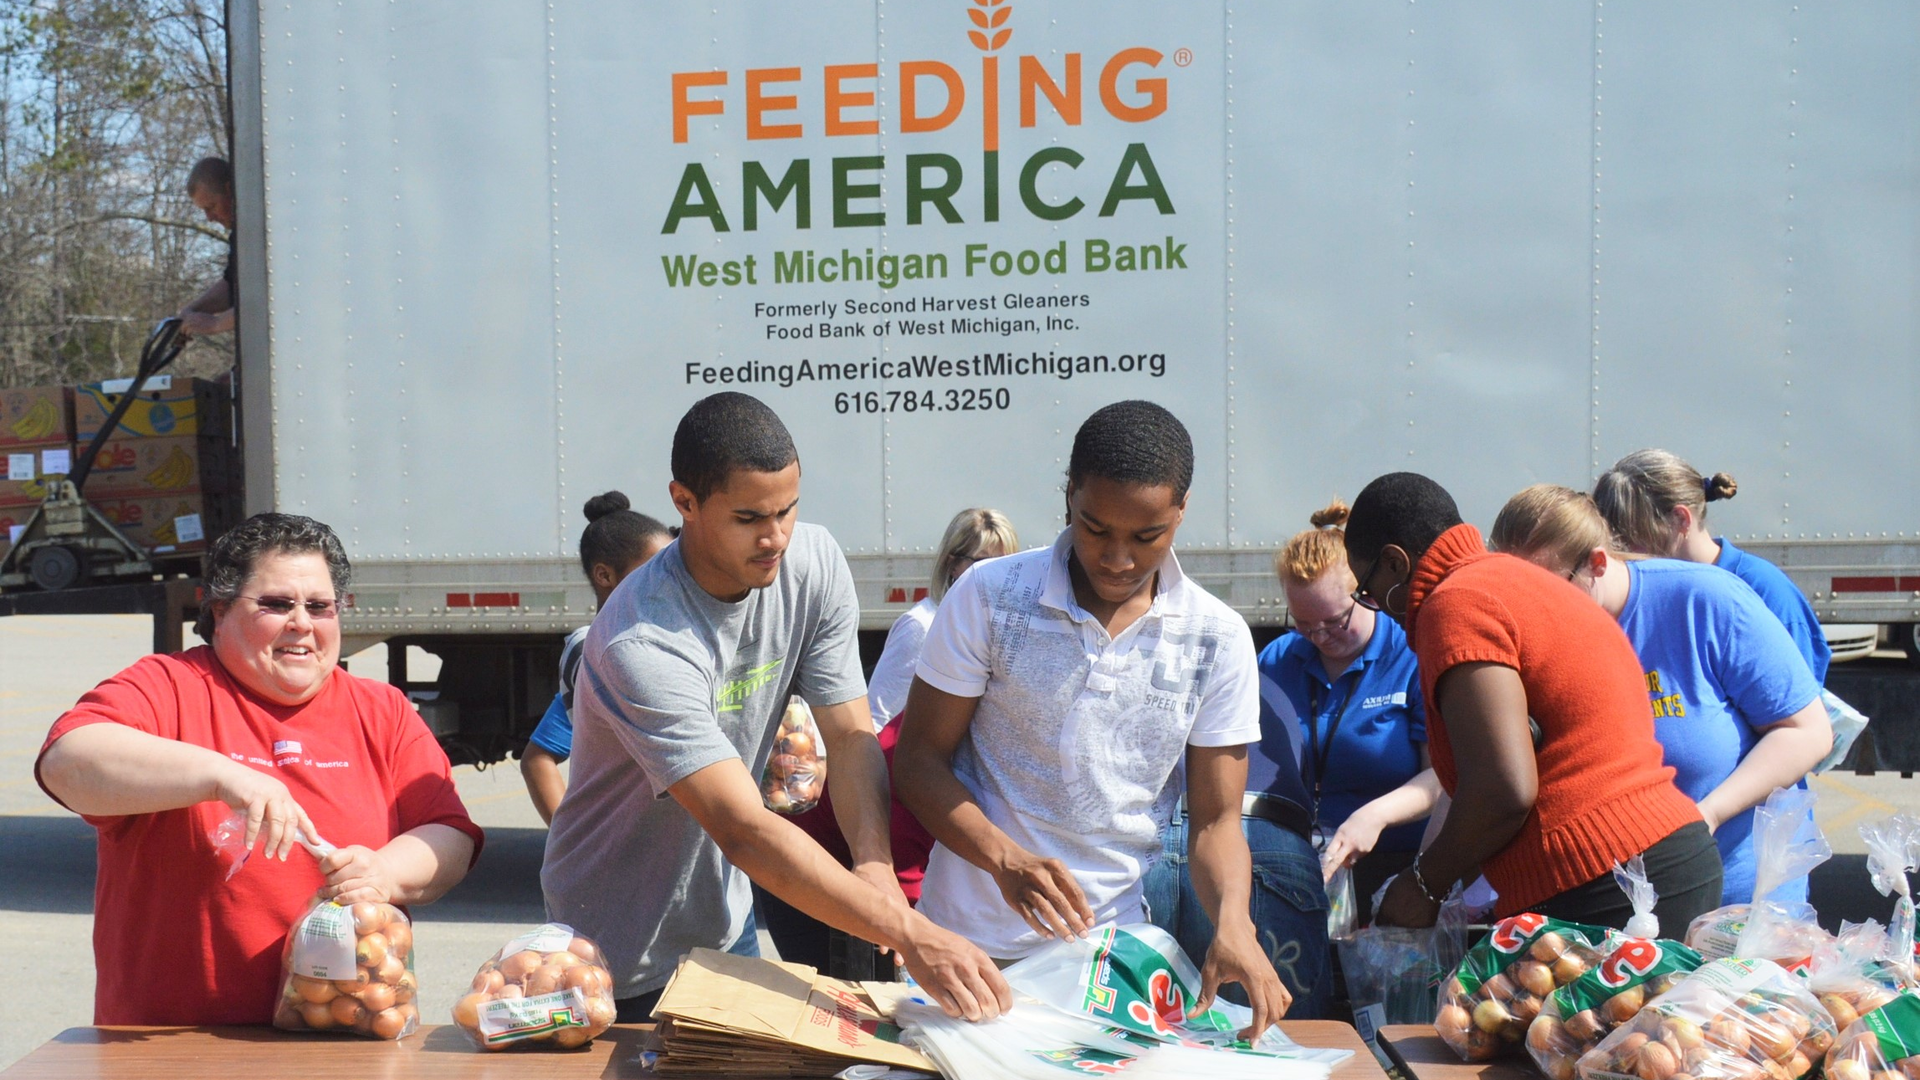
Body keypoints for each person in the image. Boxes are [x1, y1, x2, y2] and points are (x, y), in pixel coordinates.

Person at [540, 391, 1007, 1024]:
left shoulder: (811, 562)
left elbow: (848, 737)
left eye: (788, 509)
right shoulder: (640, 641)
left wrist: (874, 865)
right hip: (618, 945)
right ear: (684, 502)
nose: (775, 536)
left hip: (727, 917)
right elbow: (743, 828)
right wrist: (910, 932)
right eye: (749, 517)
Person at [895, 400, 1291, 1039]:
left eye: (1147, 537)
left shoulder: (1215, 637)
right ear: (1069, 495)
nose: (1117, 558)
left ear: (1181, 511)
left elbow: (1216, 821)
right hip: (965, 950)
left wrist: (1234, 926)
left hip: (1109, 957)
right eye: (1095, 528)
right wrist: (1004, 861)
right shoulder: (991, 597)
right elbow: (918, 763)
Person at [34, 513, 482, 1025]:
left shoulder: (382, 709)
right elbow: (67, 762)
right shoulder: (169, 686)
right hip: (176, 1042)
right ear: (220, 609)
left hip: (345, 1032)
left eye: (320, 606)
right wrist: (221, 775)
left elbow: (451, 835)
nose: (302, 623)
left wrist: (384, 873)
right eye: (276, 604)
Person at [1343, 472, 1721, 936]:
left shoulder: (1456, 605)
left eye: (1368, 590)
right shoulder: (1516, 580)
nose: (1377, 604)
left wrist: (1423, 885)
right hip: (1658, 859)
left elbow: (1502, 789)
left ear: (1396, 564)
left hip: (1605, 879)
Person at [1490, 485, 1832, 906]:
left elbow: (1807, 732)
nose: (1529, 609)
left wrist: (1707, 815)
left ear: (1597, 564)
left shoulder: (1704, 601)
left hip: (1739, 904)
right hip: (1614, 906)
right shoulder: (1533, 632)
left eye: (1545, 588)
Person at [757, 507, 1017, 970]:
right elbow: (866, 736)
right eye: (973, 562)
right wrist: (916, 934)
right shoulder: (922, 751)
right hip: (814, 875)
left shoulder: (981, 746)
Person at [1262, 501, 1438, 920]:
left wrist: (1374, 817)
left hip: (1397, 867)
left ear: (1366, 594)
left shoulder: (1413, 653)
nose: (1319, 637)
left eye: (1335, 621)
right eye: (1303, 624)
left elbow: (1444, 776)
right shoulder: (1276, 659)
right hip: (1300, 866)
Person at [1594, 450, 1830, 682]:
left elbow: (1800, 703)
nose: (1620, 554)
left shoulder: (1763, 590)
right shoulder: (1636, 591)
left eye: (1628, 537)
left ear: (1680, 519)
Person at [521, 492, 677, 824]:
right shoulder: (596, 651)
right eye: (652, 571)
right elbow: (537, 759)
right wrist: (570, 839)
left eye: (670, 569)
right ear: (604, 575)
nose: (667, 582)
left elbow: (537, 756)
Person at [866, 508, 1020, 728]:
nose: (993, 576)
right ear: (952, 565)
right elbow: (878, 718)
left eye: (1005, 566)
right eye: (981, 564)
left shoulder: (1003, 630)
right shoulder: (922, 626)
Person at [178, 157, 237, 338]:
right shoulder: (240, 236)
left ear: (229, 191)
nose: (209, 218)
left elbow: (264, 296)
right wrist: (191, 311)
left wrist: (217, 324)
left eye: (211, 207)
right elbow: (232, 286)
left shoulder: (262, 233)